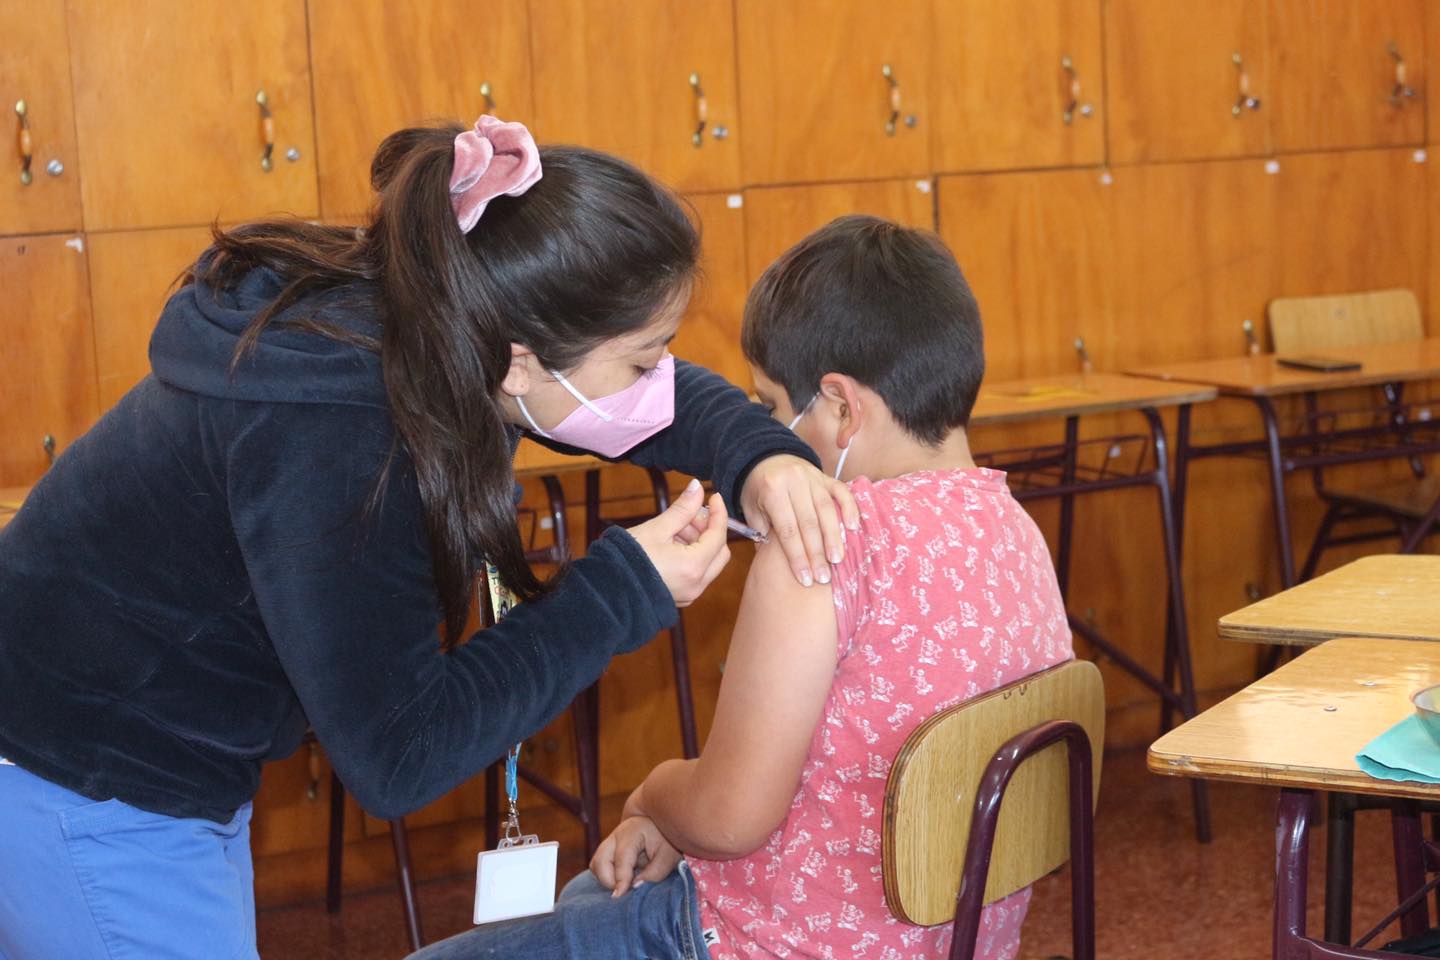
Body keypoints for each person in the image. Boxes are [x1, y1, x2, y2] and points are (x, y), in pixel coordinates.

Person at [0, 117, 858, 960]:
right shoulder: (342, 439)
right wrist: (621, 590)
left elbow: (658, 397)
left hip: (151, 767)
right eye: (642, 360)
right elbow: (400, 755)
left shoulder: (439, 330)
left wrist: (760, 459)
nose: (656, 382)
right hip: (78, 776)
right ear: (519, 363)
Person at [410, 215, 1074, 960]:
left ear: (841, 406)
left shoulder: (821, 544)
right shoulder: (1016, 528)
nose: (764, 431)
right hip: (958, 945)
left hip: (765, 942)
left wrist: (653, 794)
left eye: (768, 405)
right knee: (594, 898)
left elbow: (730, 820)